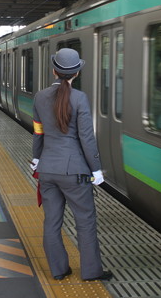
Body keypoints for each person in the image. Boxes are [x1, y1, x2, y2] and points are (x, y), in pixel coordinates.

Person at [31, 48, 113, 282]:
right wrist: (96, 169)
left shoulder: (39, 97)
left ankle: (58, 270)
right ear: (76, 74)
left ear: (53, 71)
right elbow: (87, 137)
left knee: (52, 221)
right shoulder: (79, 99)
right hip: (75, 172)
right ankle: (91, 271)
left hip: (47, 169)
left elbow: (38, 133)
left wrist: (37, 159)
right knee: (85, 220)